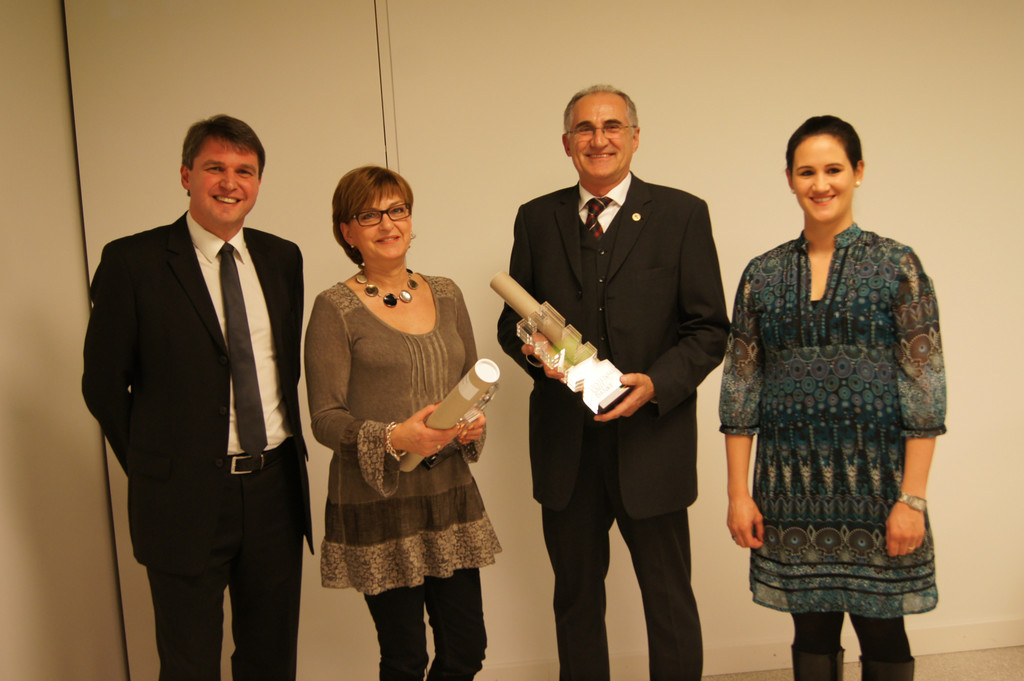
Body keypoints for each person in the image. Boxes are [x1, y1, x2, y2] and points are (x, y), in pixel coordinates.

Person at [496, 84, 729, 681]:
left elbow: (708, 330)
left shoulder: (682, 214)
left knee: (669, 602)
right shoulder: (536, 218)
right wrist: (536, 355)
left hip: (652, 442)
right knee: (575, 602)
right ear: (566, 143)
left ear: (634, 137)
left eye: (612, 126)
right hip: (566, 452)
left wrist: (657, 383)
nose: (598, 139)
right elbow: (511, 324)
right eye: (585, 128)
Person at [82, 115, 313, 680]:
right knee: (189, 665)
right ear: (186, 175)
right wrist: (155, 466)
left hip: (275, 490)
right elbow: (103, 385)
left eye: (244, 171)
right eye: (215, 168)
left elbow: (282, 369)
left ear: (258, 182)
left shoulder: (282, 258)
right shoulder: (132, 262)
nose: (230, 183)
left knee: (270, 659)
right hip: (181, 498)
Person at [719, 115, 945, 681]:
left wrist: (912, 500)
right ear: (790, 179)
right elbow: (740, 389)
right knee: (811, 631)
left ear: (858, 172)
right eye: (807, 172)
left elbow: (924, 389)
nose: (821, 184)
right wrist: (739, 495)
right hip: (789, 490)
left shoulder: (897, 266)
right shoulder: (763, 274)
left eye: (834, 169)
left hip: (877, 489)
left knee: (883, 630)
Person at [305, 165, 501, 681]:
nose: (387, 224)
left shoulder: (448, 293)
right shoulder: (333, 308)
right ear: (347, 232)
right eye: (369, 215)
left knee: (467, 650)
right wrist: (394, 437)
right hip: (379, 502)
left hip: (448, 493)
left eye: (397, 210)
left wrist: (472, 421)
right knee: (405, 658)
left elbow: (472, 385)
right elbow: (324, 419)